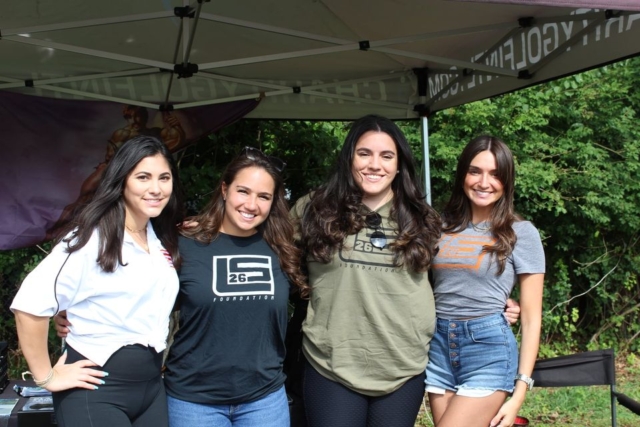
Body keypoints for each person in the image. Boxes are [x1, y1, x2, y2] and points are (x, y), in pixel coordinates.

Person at [11, 135, 185, 427]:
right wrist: (46, 377)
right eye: (143, 177)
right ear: (122, 180)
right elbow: (30, 304)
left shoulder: (158, 238)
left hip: (151, 389)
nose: (156, 188)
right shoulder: (91, 239)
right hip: (96, 392)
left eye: (164, 178)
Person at [162, 146, 309, 427]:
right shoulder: (185, 244)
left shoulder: (283, 250)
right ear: (224, 189)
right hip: (193, 401)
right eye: (243, 191)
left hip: (264, 401)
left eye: (263, 196)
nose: (251, 205)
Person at [425, 136, 545, 427]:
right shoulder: (439, 226)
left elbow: (532, 319)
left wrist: (519, 393)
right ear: (462, 175)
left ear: (507, 181)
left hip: (488, 350)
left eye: (495, 174)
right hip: (438, 349)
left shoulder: (521, 232)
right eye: (475, 171)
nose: (483, 182)